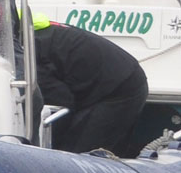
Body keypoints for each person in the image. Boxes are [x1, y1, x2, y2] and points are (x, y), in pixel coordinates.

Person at [32, 17, 147, 156]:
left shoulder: (29, 53)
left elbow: (60, 104)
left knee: (78, 155)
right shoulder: (32, 32)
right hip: (115, 77)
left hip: (118, 89)